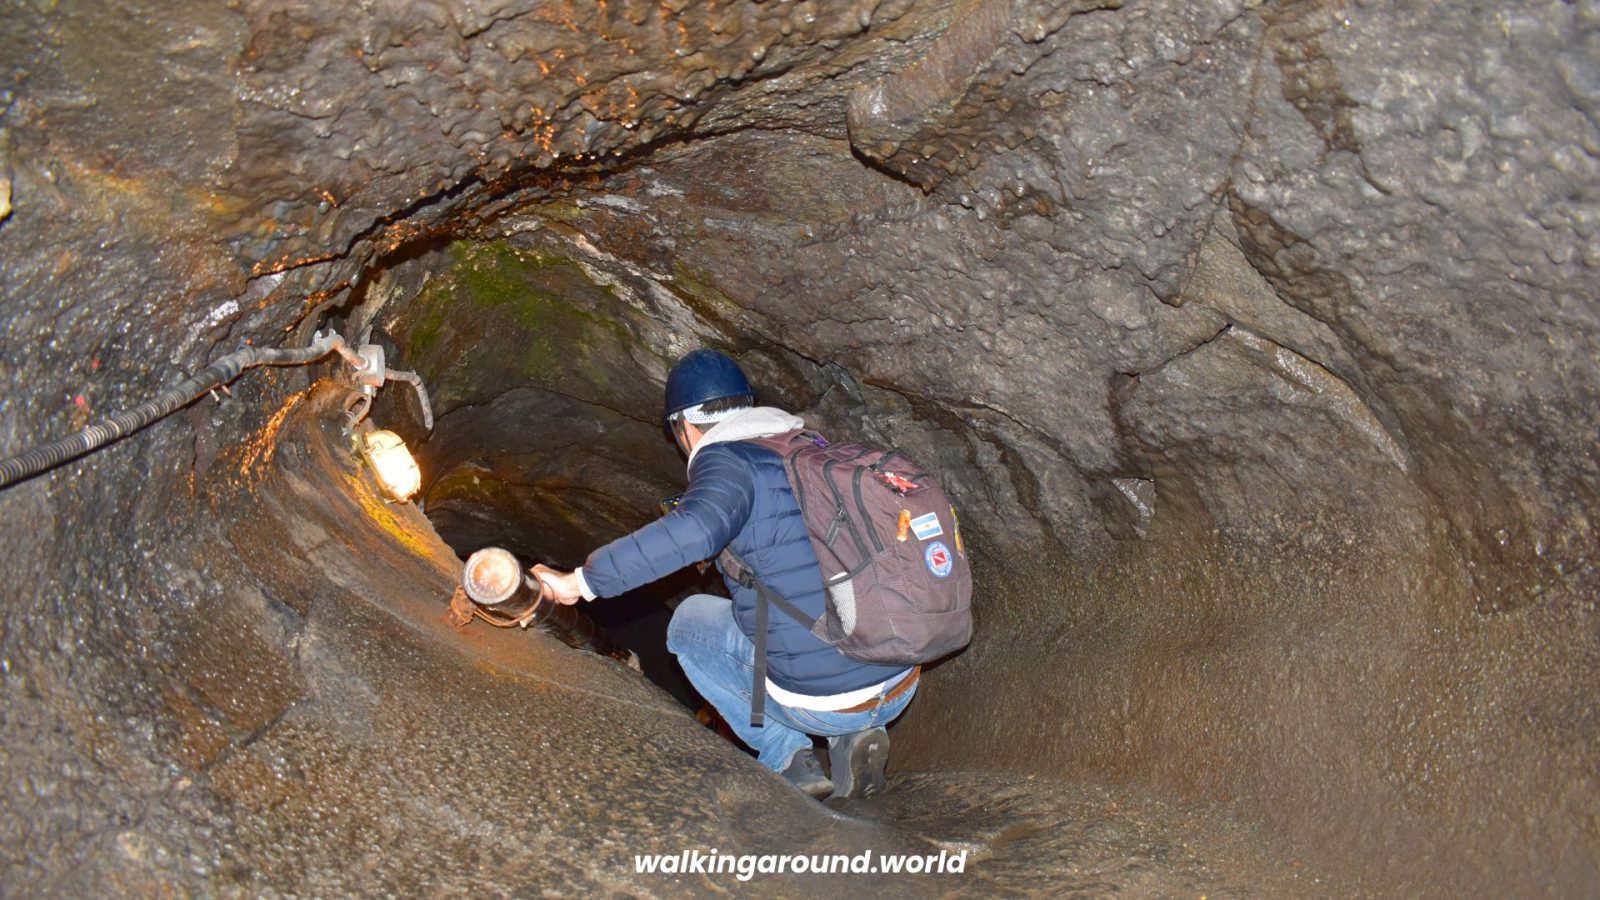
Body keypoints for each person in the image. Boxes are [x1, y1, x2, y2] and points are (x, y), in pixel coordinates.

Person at [531, 349, 920, 800]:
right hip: (899, 676)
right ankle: (851, 737)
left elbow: (695, 528)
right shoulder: (811, 449)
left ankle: (788, 754)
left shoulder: (726, 460)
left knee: (691, 621)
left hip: (830, 702)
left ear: (684, 427)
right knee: (791, 608)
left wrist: (577, 582)